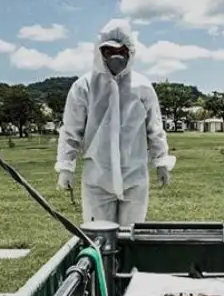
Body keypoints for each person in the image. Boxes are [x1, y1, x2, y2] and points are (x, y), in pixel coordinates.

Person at [55, 19, 175, 226]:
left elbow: (155, 129)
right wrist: (66, 166)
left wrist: (161, 162)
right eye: (109, 50)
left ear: (131, 51)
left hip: (134, 176)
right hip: (97, 178)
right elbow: (71, 131)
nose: (116, 56)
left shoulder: (142, 87)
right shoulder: (84, 87)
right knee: (100, 237)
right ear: (99, 52)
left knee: (131, 237)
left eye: (122, 50)